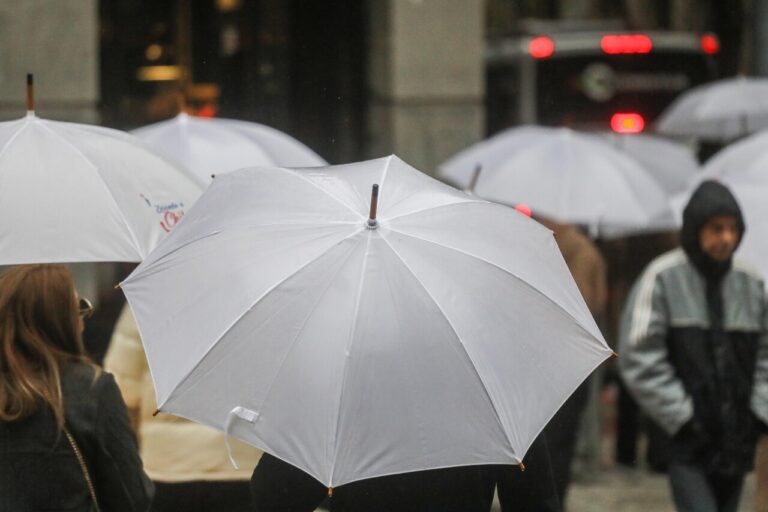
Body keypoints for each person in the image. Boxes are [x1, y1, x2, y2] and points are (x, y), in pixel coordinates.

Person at [619, 180, 768, 512]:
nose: (726, 238)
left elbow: (765, 355)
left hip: (736, 439)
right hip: (685, 442)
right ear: (695, 230)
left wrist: (758, 412)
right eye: (716, 229)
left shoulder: (751, 282)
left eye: (733, 229)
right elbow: (638, 355)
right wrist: (683, 417)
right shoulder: (662, 278)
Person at [0, 264, 153, 511]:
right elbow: (131, 497)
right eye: (79, 308)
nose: (83, 321)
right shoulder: (91, 390)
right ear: (59, 321)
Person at [105, 304, 263, 512]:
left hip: (167, 467)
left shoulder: (149, 299)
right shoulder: (261, 297)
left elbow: (122, 392)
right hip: (240, 465)